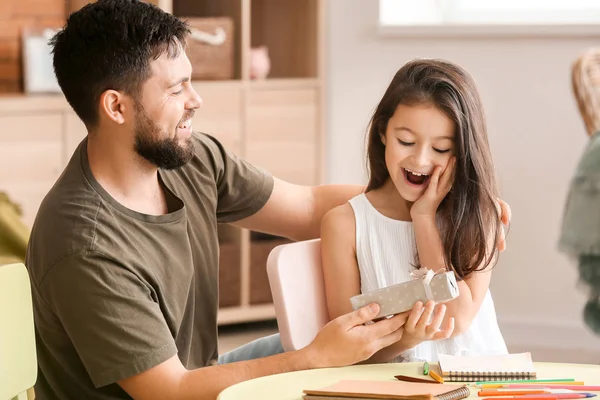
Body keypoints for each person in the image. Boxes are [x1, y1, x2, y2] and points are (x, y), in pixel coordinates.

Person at [24, 1, 511, 399]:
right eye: (176, 89)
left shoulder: (189, 160)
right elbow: (168, 391)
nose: (197, 99)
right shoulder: (83, 242)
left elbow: (306, 207)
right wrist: (313, 358)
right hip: (173, 392)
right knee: (327, 358)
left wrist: (445, 205)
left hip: (201, 372)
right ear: (115, 106)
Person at [321, 59, 509, 364]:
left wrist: (424, 219)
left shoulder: (480, 214)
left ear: (462, 151)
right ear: (383, 132)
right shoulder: (344, 225)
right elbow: (348, 352)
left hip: (481, 384)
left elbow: (456, 320)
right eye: (406, 141)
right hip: (398, 389)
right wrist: (407, 338)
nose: (420, 159)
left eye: (441, 148)